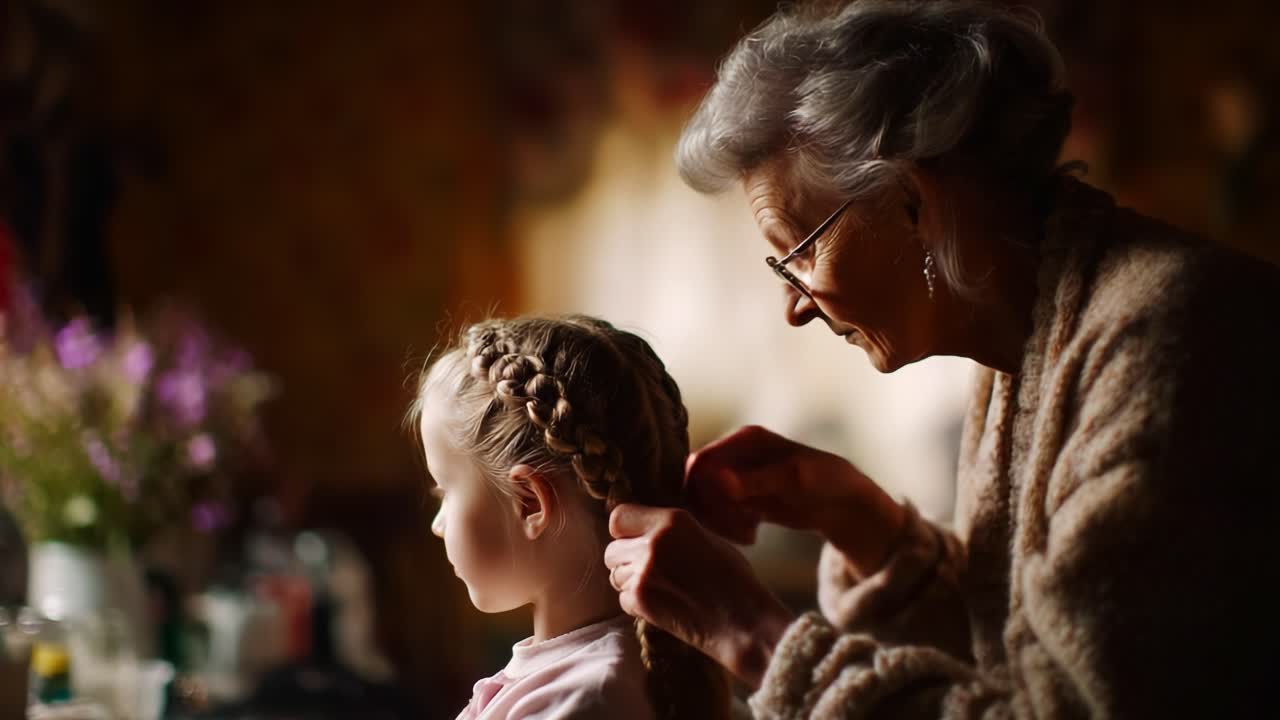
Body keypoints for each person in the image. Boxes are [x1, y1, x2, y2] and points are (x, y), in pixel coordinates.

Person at [602, 1, 1280, 717]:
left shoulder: (1168, 341)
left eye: (798, 252)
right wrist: (863, 522)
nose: (794, 307)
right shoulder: (1036, 329)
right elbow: (1031, 659)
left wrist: (753, 635)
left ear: (910, 199)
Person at [408, 316, 731, 720]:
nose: (437, 524)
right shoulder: (586, 678)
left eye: (445, 491)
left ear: (530, 503)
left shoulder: (581, 702)